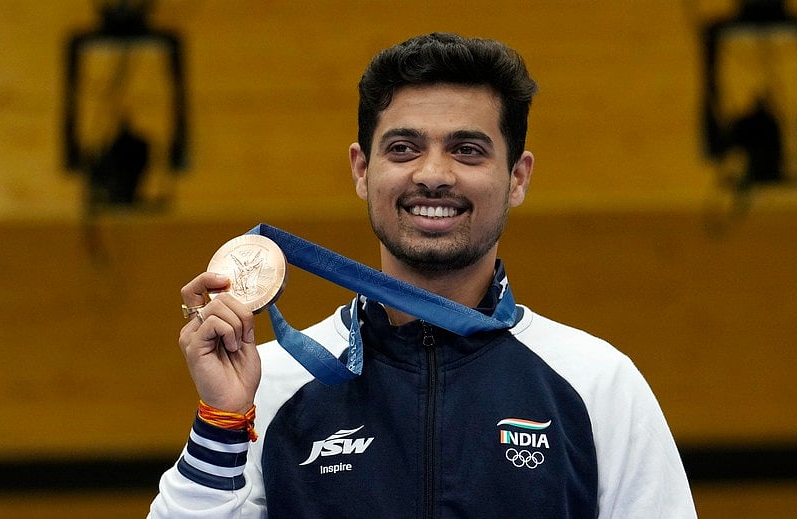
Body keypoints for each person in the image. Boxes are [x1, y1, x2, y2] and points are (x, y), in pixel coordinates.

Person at [149, 32, 696, 518]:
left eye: (468, 149)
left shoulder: (597, 383)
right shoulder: (269, 382)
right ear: (363, 171)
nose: (434, 175)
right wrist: (221, 418)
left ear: (517, 177)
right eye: (404, 148)